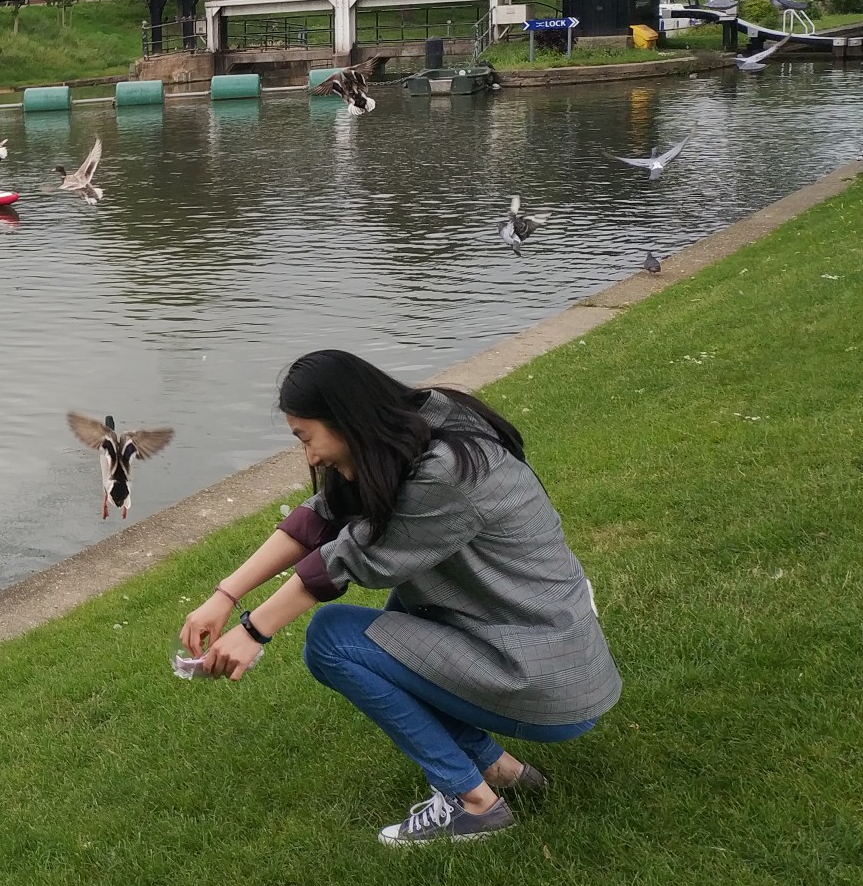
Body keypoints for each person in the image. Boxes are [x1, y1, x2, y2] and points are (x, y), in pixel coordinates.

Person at [178, 350, 620, 847]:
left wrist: (254, 629)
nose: (311, 457)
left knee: (332, 641)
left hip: (549, 677)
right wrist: (225, 595)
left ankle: (472, 804)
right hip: (538, 649)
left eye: (306, 438)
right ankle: (496, 768)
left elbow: (344, 558)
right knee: (403, 612)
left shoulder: (446, 472)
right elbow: (323, 514)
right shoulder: (429, 420)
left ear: (346, 418)